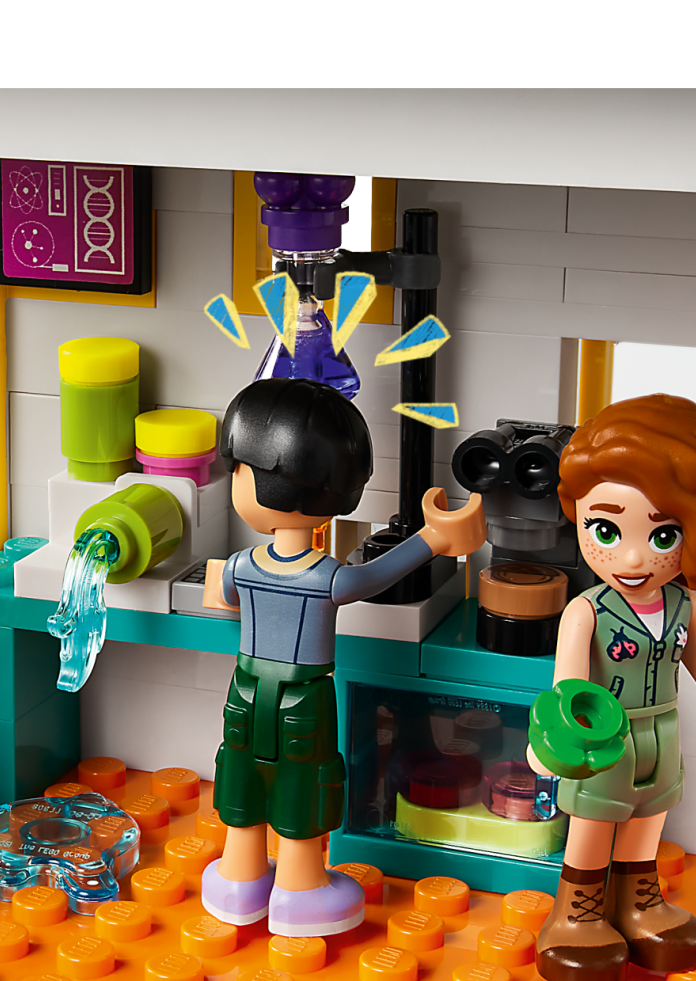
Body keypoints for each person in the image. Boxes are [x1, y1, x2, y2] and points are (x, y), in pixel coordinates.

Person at [200, 377, 485, 938]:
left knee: (242, 772)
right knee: (303, 780)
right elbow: (376, 575)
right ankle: (299, 892)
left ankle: (239, 881)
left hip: (245, 691)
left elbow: (222, 598)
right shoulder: (327, 577)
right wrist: (433, 539)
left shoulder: (239, 565)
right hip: (305, 697)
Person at [530, 394, 696, 981]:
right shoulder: (586, 612)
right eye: (605, 529)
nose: (630, 557)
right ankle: (576, 914)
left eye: (663, 535)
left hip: (664, 730)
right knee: (594, 823)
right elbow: (567, 690)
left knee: (650, 817)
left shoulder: (682, 604)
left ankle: (639, 905)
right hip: (604, 736)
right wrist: (552, 740)